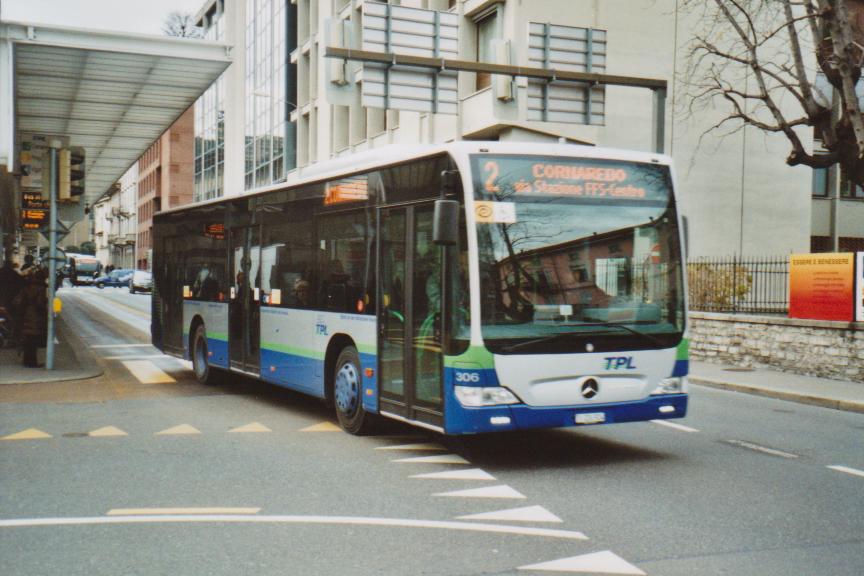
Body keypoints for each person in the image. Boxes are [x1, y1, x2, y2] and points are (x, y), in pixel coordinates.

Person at [13, 269, 48, 367]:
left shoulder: (26, 287)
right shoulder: (41, 288)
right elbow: (40, 304)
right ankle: (32, 363)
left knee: (28, 340)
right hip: (36, 316)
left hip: (25, 315)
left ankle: (26, 361)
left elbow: (16, 301)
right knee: (33, 341)